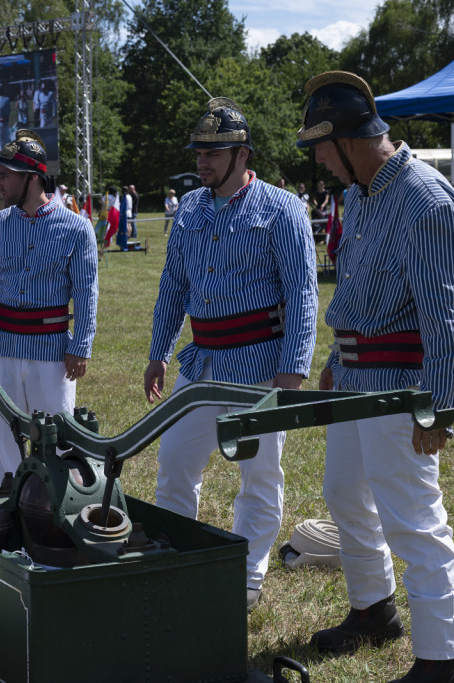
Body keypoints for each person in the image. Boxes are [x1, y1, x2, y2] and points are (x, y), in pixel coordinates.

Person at [296, 71, 454, 683]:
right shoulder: (361, 195)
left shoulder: (425, 198)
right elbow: (357, 293)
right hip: (355, 382)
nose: (317, 158)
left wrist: (440, 407)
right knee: (345, 492)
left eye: (321, 144)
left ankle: (443, 658)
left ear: (349, 140)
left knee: (414, 519)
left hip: (402, 386)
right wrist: (335, 359)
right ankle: (373, 610)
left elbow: (447, 313)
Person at [142, 97, 318, 611]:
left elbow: (303, 293)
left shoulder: (282, 208)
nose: (202, 162)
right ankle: (176, 559)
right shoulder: (191, 208)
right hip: (201, 365)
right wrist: (158, 351)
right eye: (199, 151)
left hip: (259, 368)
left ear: (243, 155)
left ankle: (246, 576)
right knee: (175, 464)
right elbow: (172, 284)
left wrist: (292, 372)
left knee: (259, 478)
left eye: (214, 153)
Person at [0, 130, 99, 488]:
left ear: (32, 178)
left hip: (52, 351)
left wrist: (81, 346)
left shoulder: (76, 227)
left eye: (5, 175)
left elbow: (87, 292)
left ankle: (60, 509)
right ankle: (4, 507)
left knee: (58, 439)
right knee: (4, 440)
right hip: (4, 349)